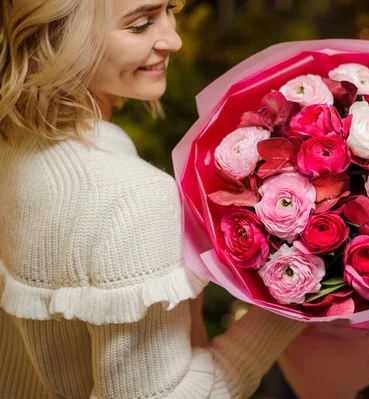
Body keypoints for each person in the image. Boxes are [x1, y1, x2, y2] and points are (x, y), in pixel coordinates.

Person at [0, 1, 305, 398]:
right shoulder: (132, 198)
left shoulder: (13, 146)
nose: (174, 40)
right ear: (60, 37)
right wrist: (293, 298)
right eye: (141, 24)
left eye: (170, 8)